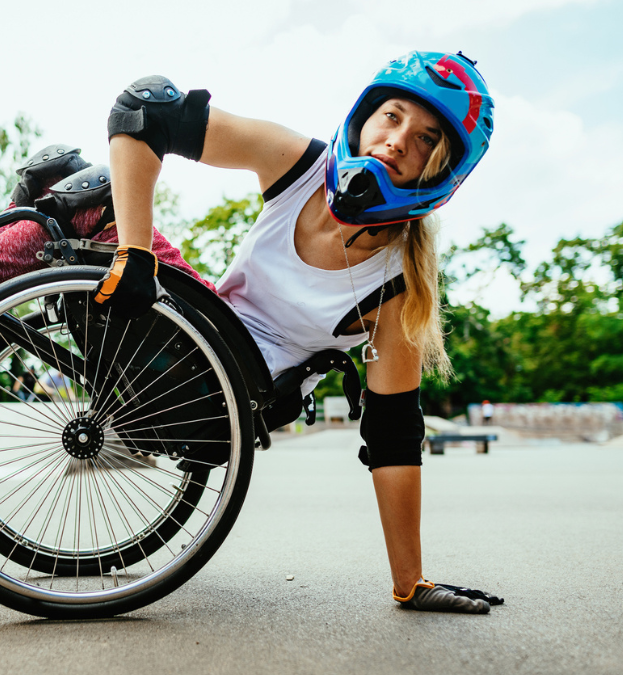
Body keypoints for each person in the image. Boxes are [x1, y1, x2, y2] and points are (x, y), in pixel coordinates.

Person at [91, 51, 502, 613]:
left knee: (86, 194)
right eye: (392, 115)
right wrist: (134, 252)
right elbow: (142, 110)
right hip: (195, 324)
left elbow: (393, 437)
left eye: (428, 139)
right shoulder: (299, 164)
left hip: (226, 390)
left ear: (442, 169)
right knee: (63, 182)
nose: (401, 139)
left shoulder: (397, 287)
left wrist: (412, 582)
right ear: (365, 116)